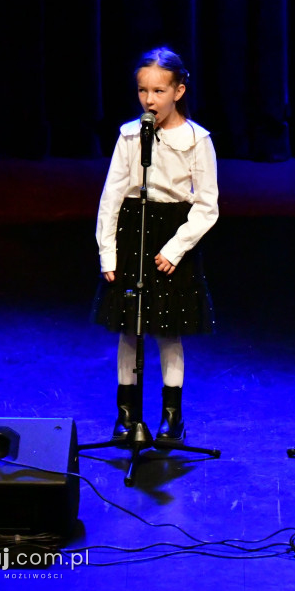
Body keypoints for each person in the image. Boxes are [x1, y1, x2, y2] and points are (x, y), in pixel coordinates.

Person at [94, 47, 218, 442]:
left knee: (169, 330)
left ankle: (171, 417)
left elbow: (207, 205)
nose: (150, 100)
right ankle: (127, 413)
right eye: (143, 91)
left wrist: (176, 248)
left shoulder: (198, 140)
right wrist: (107, 251)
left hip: (172, 235)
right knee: (129, 330)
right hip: (134, 230)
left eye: (159, 91)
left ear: (178, 91)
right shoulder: (130, 135)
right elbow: (111, 197)